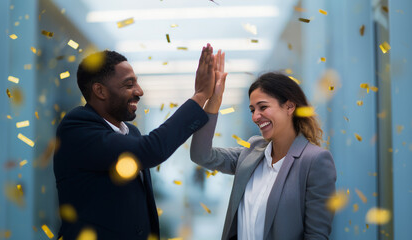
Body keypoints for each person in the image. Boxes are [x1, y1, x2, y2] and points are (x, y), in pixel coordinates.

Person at [53, 44, 217, 240]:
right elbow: (151, 150)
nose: (139, 91)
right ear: (100, 91)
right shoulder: (77, 127)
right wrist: (199, 96)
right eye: (129, 84)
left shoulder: (131, 132)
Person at [190, 56, 337, 240]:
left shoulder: (315, 161)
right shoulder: (252, 151)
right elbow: (201, 155)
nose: (256, 117)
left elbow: (316, 235)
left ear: (290, 106)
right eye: (252, 110)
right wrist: (213, 101)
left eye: (263, 107)